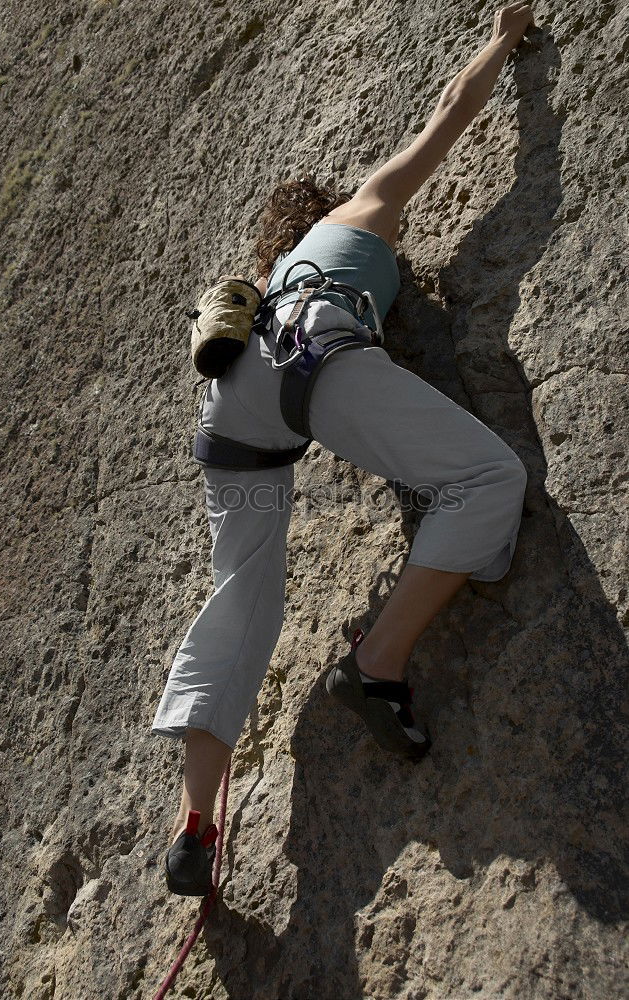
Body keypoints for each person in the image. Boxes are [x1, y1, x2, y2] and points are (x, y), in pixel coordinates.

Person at [154, 2, 537, 896]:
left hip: (238, 401)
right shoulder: (358, 218)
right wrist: (502, 38)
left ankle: (195, 824)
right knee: (486, 476)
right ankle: (376, 667)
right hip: (314, 356)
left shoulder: (266, 279)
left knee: (239, 599)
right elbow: (448, 111)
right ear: (323, 211)